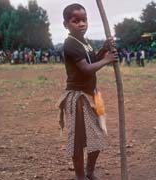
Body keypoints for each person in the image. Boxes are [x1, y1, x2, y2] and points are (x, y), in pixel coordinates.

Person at [58, 3, 118, 180]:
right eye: (75, 21)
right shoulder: (70, 44)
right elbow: (86, 69)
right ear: (66, 24)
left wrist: (104, 49)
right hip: (78, 98)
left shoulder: (86, 42)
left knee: (97, 137)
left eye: (84, 20)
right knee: (78, 140)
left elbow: (93, 60)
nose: (81, 24)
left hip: (92, 96)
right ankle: (80, 176)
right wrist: (107, 60)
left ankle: (90, 172)